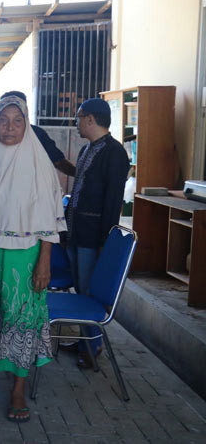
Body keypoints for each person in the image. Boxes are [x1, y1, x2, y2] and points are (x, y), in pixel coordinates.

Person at [0, 95, 66, 423]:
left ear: (26, 123)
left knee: (20, 319)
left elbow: (50, 218)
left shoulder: (39, 162)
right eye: (3, 120)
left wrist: (45, 262)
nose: (9, 127)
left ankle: (18, 391)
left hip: (26, 256)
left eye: (17, 121)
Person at [66, 98, 130, 369]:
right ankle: (85, 340)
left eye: (79, 117)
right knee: (80, 288)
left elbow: (113, 201)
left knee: (90, 290)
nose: (77, 122)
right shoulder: (87, 150)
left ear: (90, 118)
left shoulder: (115, 153)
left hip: (94, 235)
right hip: (77, 231)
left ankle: (93, 344)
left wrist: (106, 240)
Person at [0, 91, 76, 177]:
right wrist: (78, 175)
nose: (10, 128)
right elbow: (58, 161)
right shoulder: (37, 133)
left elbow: (57, 159)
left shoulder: (37, 134)